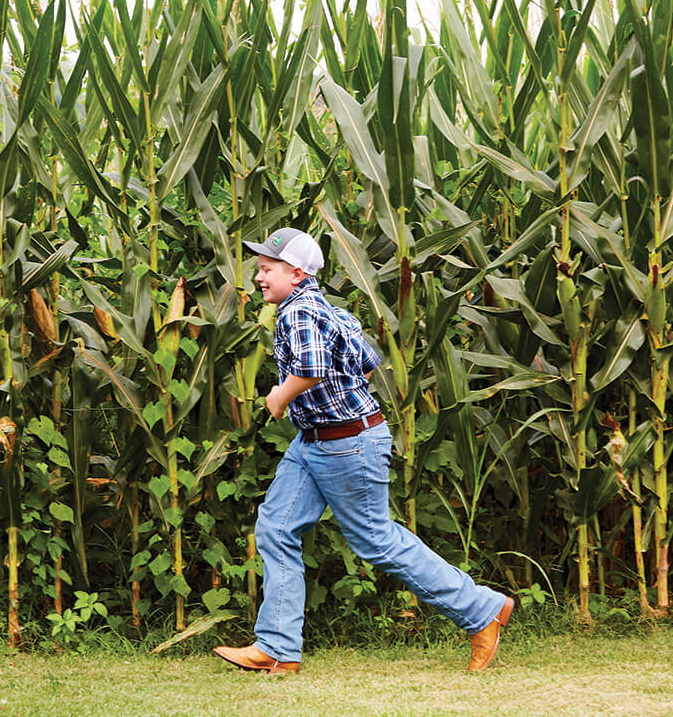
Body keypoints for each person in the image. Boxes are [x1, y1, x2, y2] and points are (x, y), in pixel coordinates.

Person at [213, 229, 513, 674]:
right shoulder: (327, 310)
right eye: (259, 268)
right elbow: (369, 361)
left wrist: (278, 396)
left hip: (345, 443)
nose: (258, 277)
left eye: (266, 269)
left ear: (295, 274)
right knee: (276, 528)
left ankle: (480, 610)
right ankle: (276, 649)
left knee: (375, 539)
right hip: (315, 441)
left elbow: (312, 370)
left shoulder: (297, 313)